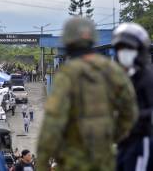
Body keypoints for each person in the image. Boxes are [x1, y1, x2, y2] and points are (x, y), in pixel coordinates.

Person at [36, 17, 138, 171]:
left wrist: (42, 163)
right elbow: (130, 113)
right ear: (93, 39)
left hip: (73, 161)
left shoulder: (67, 74)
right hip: (106, 159)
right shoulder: (113, 70)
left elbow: (52, 122)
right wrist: (111, 136)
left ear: (68, 41)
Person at [112, 23, 153, 170]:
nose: (124, 53)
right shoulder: (125, 78)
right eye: (120, 49)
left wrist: (130, 117)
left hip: (142, 142)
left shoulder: (147, 78)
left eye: (128, 48)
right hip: (124, 142)